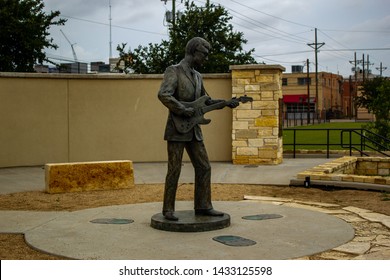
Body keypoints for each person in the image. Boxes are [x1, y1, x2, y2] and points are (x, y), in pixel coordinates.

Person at [158, 37, 239, 221]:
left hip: (194, 129)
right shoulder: (174, 71)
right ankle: (168, 209)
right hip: (177, 128)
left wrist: (226, 103)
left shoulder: (198, 76)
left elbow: (206, 100)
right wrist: (182, 109)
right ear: (193, 51)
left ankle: (203, 206)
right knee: (174, 169)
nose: (206, 58)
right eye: (204, 54)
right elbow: (163, 94)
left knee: (204, 167)